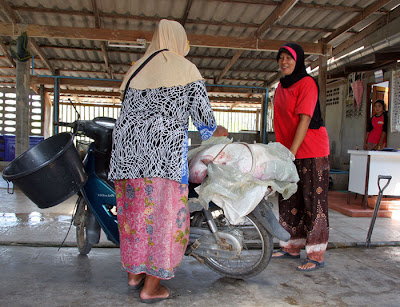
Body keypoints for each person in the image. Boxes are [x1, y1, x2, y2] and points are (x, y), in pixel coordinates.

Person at [109, 19, 226, 303]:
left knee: (135, 218)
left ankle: (135, 274)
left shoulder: (136, 68)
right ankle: (151, 288)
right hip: (163, 158)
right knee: (165, 221)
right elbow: (205, 125)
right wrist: (221, 133)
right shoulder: (186, 69)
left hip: (126, 157)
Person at [272, 42, 330, 272]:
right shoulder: (279, 87)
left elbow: (304, 119)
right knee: (288, 199)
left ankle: (316, 254)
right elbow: (279, 122)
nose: (284, 62)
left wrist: (291, 154)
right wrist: (281, 152)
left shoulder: (307, 83)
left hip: (311, 150)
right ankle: (291, 246)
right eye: (281, 58)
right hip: (289, 151)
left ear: (299, 61)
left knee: (313, 201)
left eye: (289, 58)